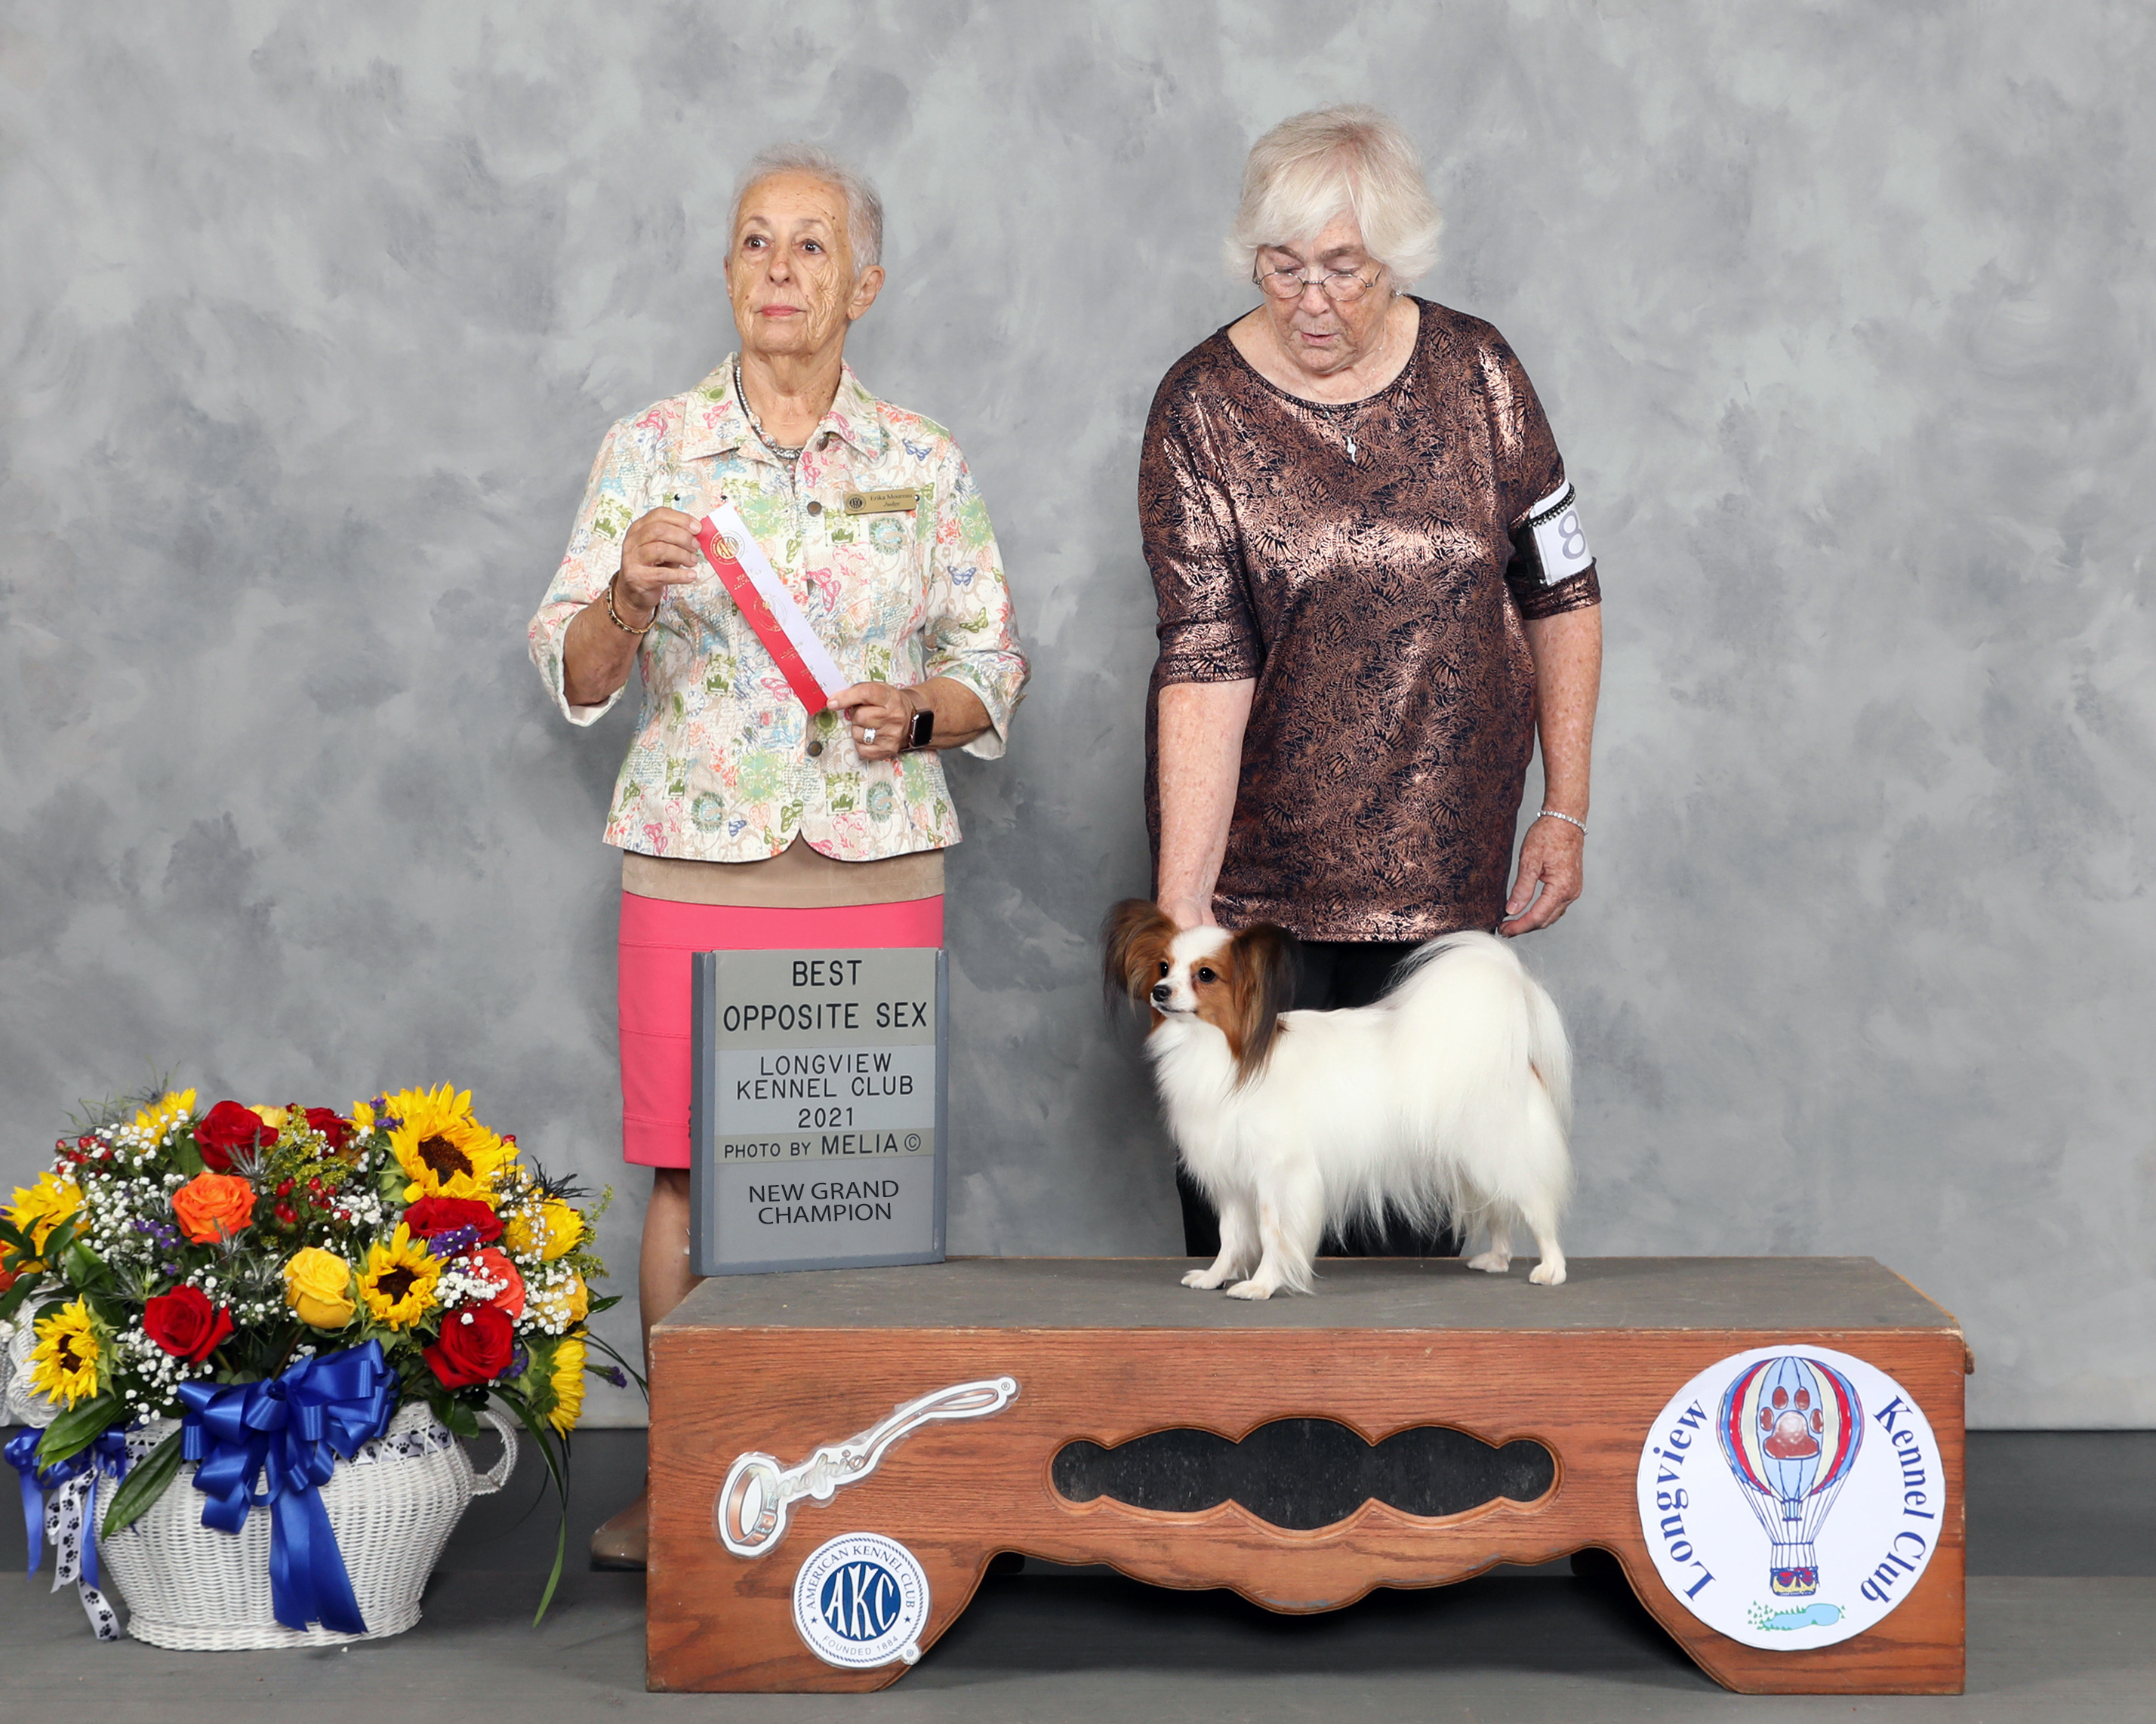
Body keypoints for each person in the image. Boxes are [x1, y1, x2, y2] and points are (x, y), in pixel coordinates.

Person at [528, 144, 1027, 1568]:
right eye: (756, 241)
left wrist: (919, 710)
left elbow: (994, 662)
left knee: (859, 1184)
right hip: (695, 856)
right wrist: (625, 595)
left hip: (876, 859)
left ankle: (850, 1482)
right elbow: (571, 671)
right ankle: (692, 1484)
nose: (781, 269)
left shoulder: (926, 458)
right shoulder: (649, 449)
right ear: (726, 272)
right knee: (690, 1177)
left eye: (813, 245)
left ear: (864, 286)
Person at [1140, 106, 1601, 1261]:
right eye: (1281, 266)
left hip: (1444, 888)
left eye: (1342, 268)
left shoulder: (1482, 372)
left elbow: (1564, 592)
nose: (1310, 300)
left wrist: (1566, 807)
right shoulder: (1199, 410)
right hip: (1265, 895)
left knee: (1416, 1252)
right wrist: (1185, 908)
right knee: (1258, 1225)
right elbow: (1203, 659)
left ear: (1398, 255)